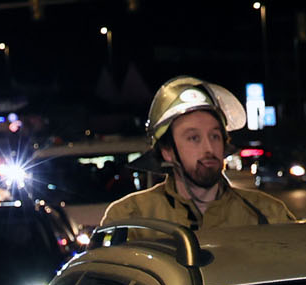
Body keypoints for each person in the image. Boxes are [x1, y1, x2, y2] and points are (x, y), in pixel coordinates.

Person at [100, 77, 295, 230]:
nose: (209, 148)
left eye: (215, 136)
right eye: (194, 138)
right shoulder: (130, 218)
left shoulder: (268, 214)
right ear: (167, 151)